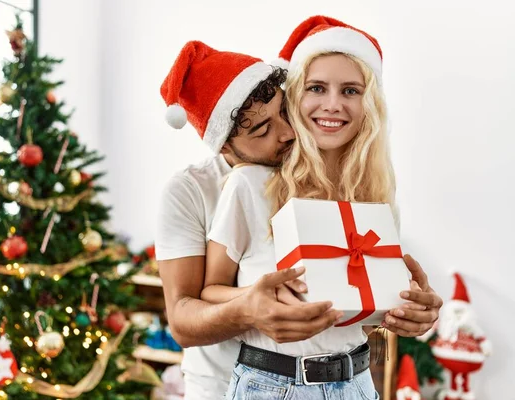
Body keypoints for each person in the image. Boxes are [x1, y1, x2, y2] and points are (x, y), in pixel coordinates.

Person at [201, 16, 442, 399]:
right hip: (270, 386)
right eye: (317, 87)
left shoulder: (376, 198)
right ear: (295, 96)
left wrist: (411, 314)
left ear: (369, 104)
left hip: (358, 384)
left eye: (350, 90)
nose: (333, 104)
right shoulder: (250, 186)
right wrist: (252, 301)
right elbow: (208, 292)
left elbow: (355, 320)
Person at [157, 41, 341, 400]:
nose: (287, 133)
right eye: (261, 130)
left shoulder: (315, 171)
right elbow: (181, 320)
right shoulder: (189, 191)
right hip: (221, 387)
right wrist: (249, 308)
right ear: (224, 146)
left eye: (285, 112)